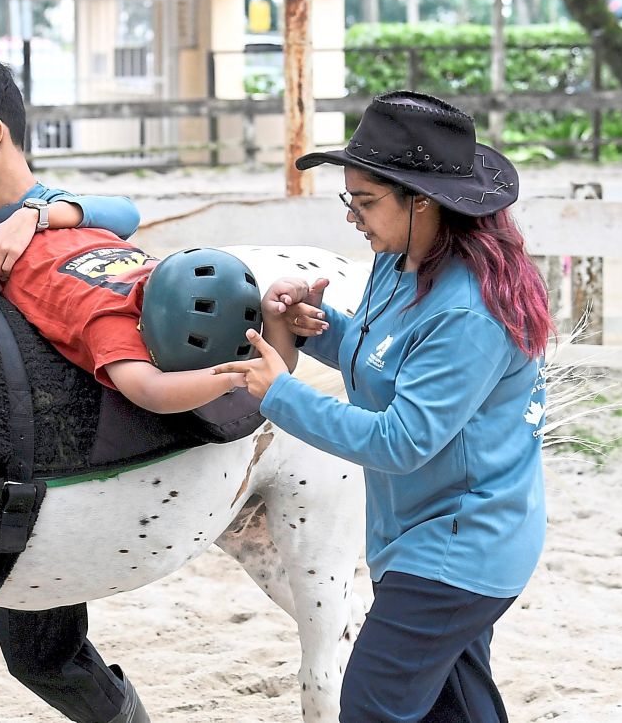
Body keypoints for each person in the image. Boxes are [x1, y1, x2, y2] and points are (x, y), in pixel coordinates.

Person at [0, 59, 261, 723]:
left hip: (39, 466)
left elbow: (124, 212)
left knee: (43, 656)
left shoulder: (58, 215)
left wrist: (38, 215)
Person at [215, 91, 552, 723]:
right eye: (349, 200)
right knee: (456, 710)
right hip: (424, 535)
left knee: (370, 708)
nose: (352, 217)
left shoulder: (467, 310)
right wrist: (319, 327)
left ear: (423, 201)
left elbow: (400, 442)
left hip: (459, 548)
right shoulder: (400, 262)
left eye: (365, 202)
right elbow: (388, 357)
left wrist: (279, 393)